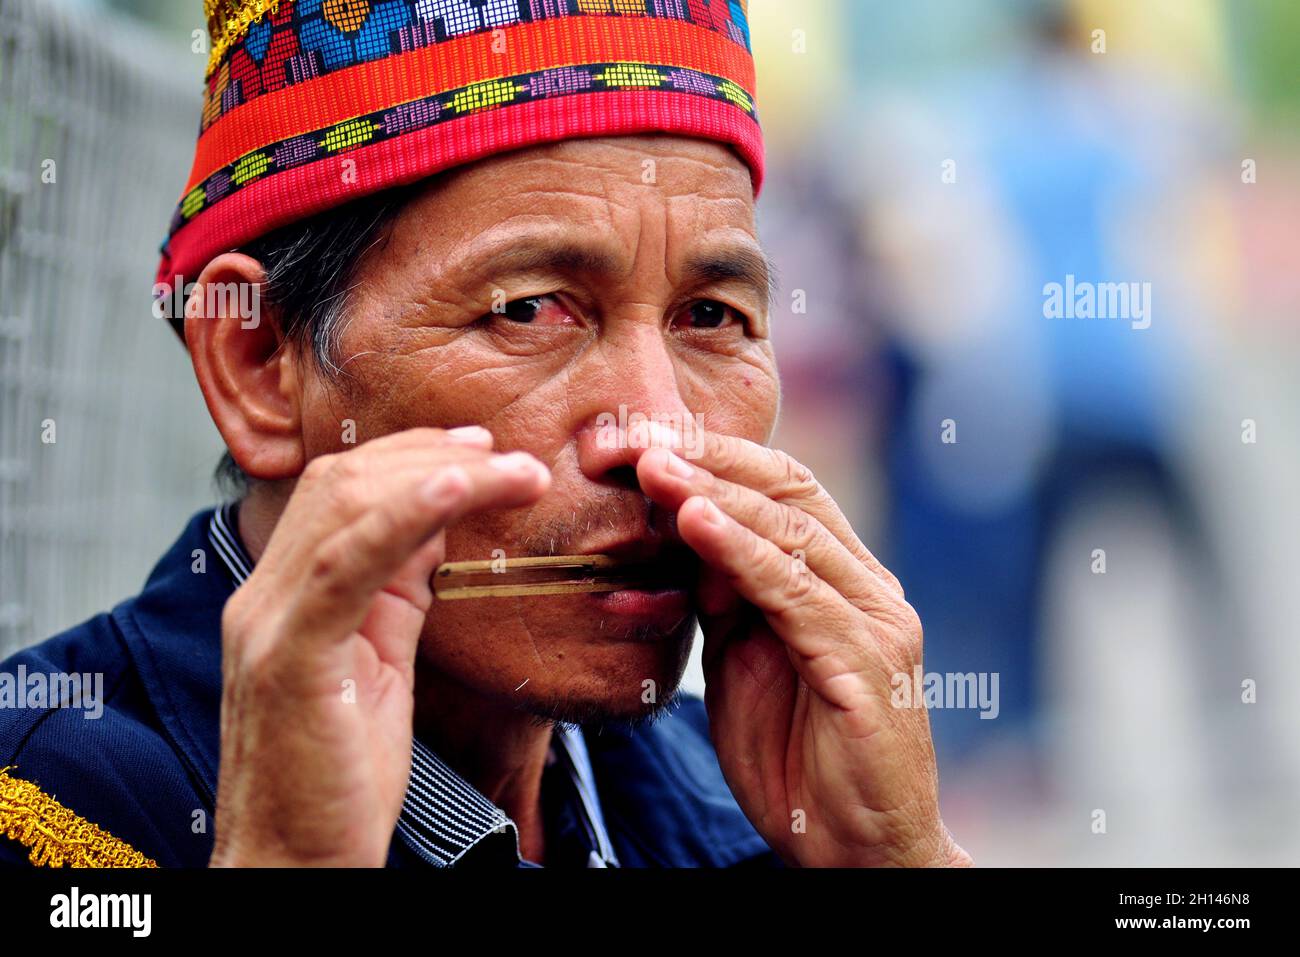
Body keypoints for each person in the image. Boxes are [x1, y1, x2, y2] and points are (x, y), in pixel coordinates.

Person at [0, 0, 970, 868]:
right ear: (259, 364)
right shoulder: (47, 807)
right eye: (531, 308)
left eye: (711, 317)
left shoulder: (753, 804)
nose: (657, 436)